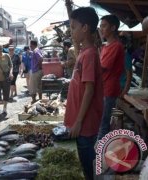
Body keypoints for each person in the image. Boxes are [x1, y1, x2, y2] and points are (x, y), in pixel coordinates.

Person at [64, 7, 103, 180]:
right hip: (80, 122)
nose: (71, 31)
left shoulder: (90, 55)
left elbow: (89, 89)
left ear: (85, 28)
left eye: (73, 27)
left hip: (85, 124)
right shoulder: (83, 53)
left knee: (87, 167)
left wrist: (78, 121)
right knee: (84, 163)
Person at [97, 15, 125, 140]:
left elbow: (102, 67)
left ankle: (99, 152)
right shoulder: (105, 46)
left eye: (104, 26)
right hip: (103, 87)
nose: (101, 29)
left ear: (113, 27)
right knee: (101, 120)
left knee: (103, 122)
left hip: (109, 88)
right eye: (100, 26)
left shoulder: (116, 46)